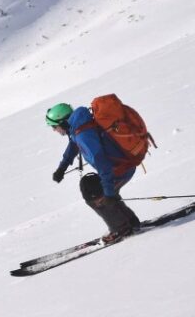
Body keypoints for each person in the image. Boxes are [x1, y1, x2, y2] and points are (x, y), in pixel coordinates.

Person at [46, 102, 141, 242]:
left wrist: (107, 194)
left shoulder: (83, 135)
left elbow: (103, 164)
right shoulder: (79, 125)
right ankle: (131, 222)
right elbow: (73, 144)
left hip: (121, 169)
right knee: (92, 186)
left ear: (63, 122)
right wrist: (62, 167)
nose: (55, 130)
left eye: (54, 126)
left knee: (96, 195)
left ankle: (121, 228)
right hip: (119, 165)